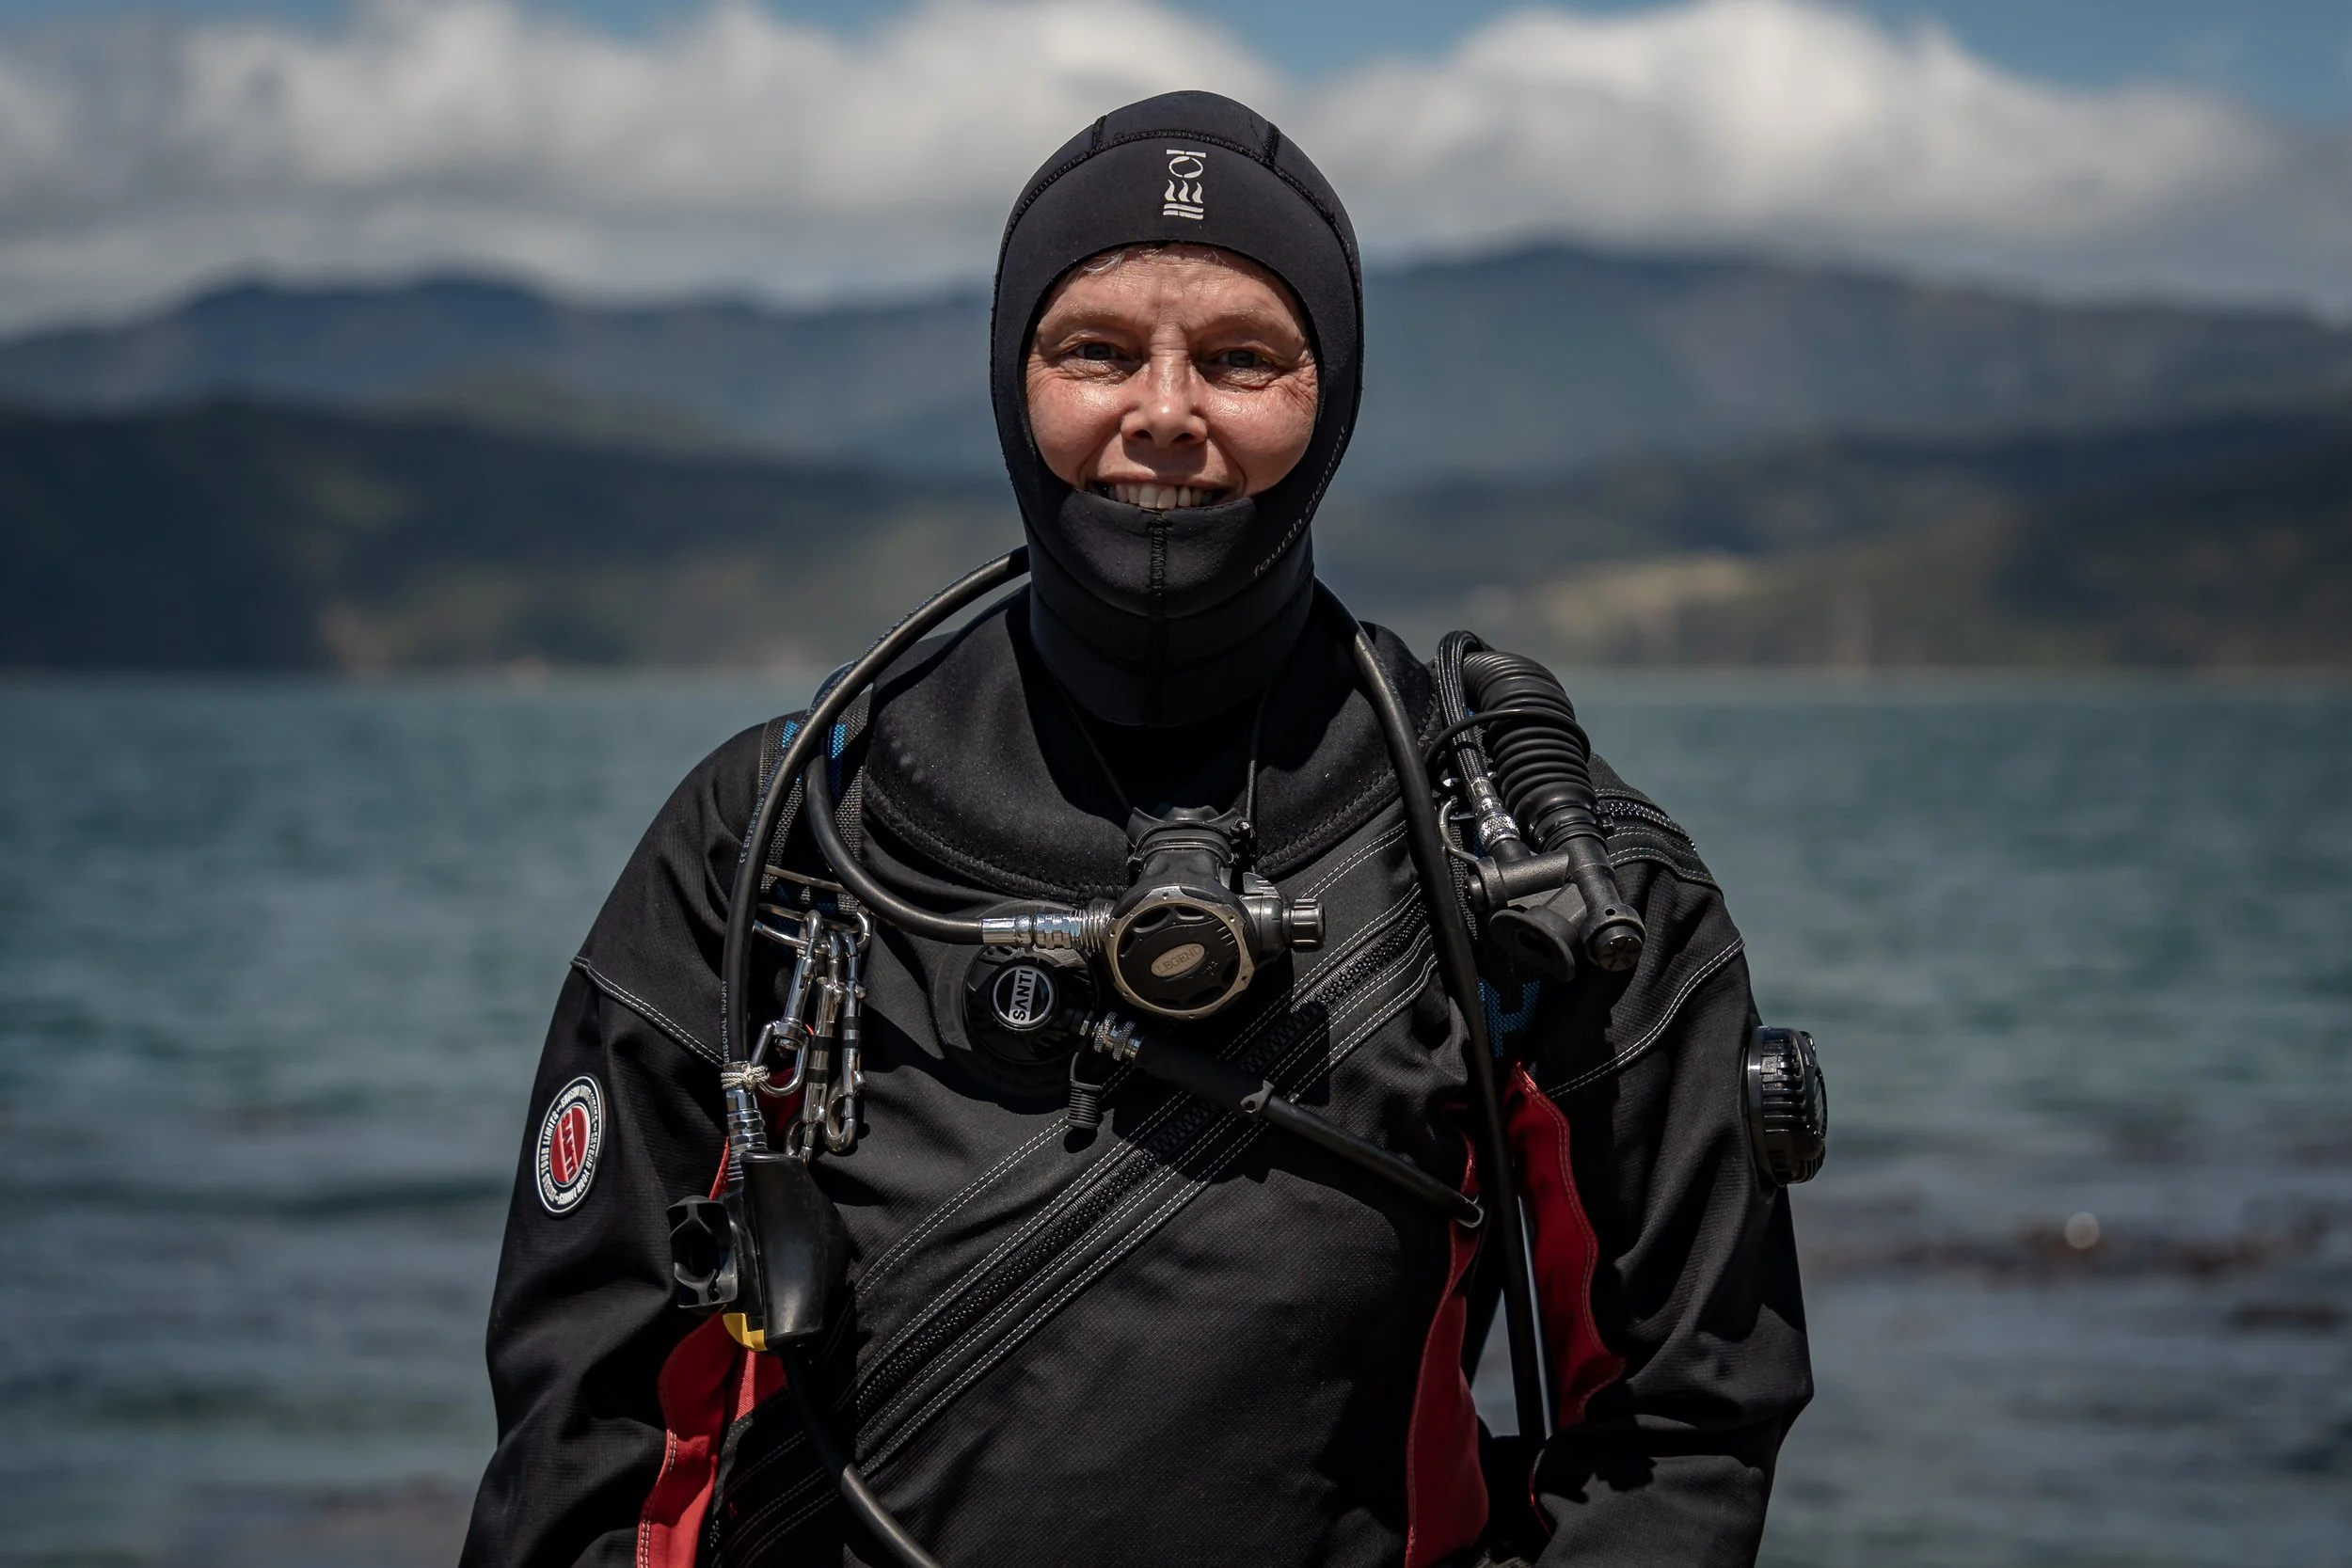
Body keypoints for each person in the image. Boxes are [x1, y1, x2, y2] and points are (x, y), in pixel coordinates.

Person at [462, 91, 1810, 1568]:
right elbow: (581, 1431)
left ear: (1332, 396)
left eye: (1242, 359)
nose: (1164, 413)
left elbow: (1687, 1417)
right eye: (1096, 350)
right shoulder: (776, 840)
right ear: (1011, 379)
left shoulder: (1531, 861)